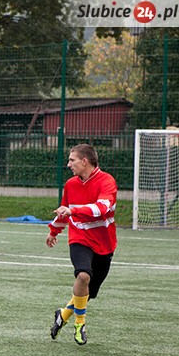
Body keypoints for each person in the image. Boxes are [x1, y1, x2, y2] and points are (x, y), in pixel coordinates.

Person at [46, 144, 117, 345]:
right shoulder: (71, 184)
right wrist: (53, 231)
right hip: (79, 238)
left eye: (72, 160)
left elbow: (101, 208)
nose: (68, 164)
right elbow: (64, 210)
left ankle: (63, 315)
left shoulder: (107, 181)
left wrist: (73, 211)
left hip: (104, 243)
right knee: (83, 275)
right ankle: (80, 324)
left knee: (88, 294)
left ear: (84, 161)